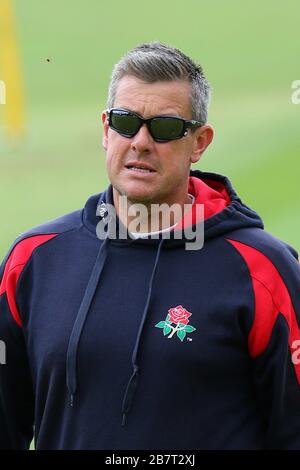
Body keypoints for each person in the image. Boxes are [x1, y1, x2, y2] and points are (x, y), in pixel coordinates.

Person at [0, 41, 300, 451]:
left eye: (164, 128)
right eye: (126, 122)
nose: (141, 142)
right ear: (107, 130)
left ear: (199, 142)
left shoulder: (264, 270)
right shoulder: (33, 260)